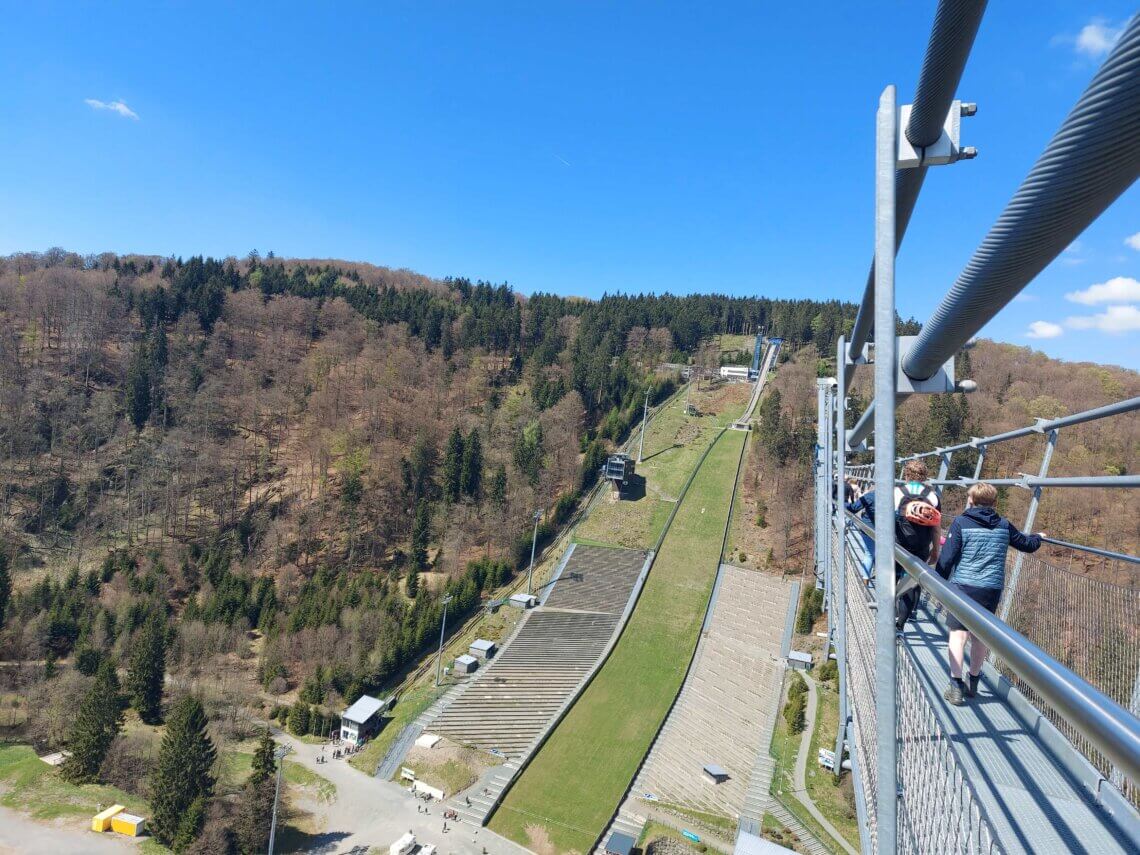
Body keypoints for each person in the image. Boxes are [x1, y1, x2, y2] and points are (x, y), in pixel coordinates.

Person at [936, 482, 1044, 706]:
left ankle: (956, 686)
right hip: (990, 589)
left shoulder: (961, 522)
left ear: (971, 501)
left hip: (963, 587)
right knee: (980, 636)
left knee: (958, 635)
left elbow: (947, 558)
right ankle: (973, 680)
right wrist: (1039, 537)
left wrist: (938, 582)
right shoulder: (1003, 525)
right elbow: (1026, 544)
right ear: (995, 503)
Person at [846, 461, 941, 629]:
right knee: (910, 583)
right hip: (921, 546)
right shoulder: (933, 497)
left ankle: (886, 618)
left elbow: (885, 521)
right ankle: (900, 626)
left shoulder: (897, 493)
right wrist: (935, 551)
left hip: (897, 544)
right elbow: (935, 528)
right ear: (925, 476)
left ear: (906, 475)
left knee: (890, 578)